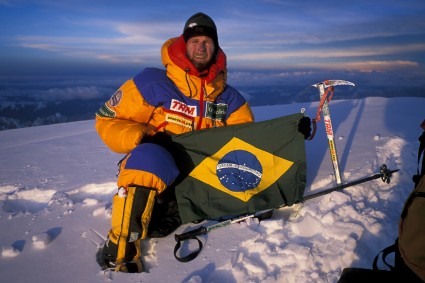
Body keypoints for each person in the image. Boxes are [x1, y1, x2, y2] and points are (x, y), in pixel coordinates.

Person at [95, 12, 312, 273]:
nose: (201, 46)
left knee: (244, 181)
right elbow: (108, 120)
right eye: (195, 40)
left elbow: (248, 145)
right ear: (184, 44)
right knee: (149, 159)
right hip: (155, 176)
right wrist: (144, 138)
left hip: (202, 181)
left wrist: (289, 133)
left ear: (216, 48)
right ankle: (120, 249)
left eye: (207, 42)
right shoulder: (151, 83)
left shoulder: (230, 99)